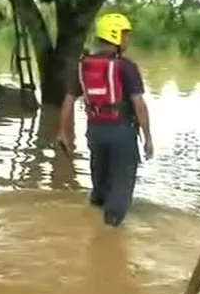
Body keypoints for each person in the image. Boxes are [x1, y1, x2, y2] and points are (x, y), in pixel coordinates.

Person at [56, 13, 154, 227]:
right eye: (125, 35)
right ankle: (109, 236)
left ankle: (94, 219)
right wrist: (147, 138)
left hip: (95, 132)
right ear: (115, 35)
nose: (128, 40)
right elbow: (139, 105)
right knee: (121, 184)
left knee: (100, 183)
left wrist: (62, 132)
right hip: (122, 132)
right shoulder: (126, 66)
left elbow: (68, 100)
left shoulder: (83, 66)